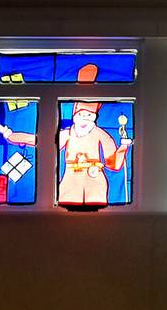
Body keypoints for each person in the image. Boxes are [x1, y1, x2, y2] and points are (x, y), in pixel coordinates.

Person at [56, 64, 131, 205]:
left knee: (97, 214)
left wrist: (123, 146)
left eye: (89, 115)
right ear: (75, 115)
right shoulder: (68, 134)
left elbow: (113, 164)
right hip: (71, 180)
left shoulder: (101, 134)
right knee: (66, 212)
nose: (84, 119)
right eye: (81, 115)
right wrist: (14, 136)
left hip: (96, 179)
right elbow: (47, 146)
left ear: (94, 117)